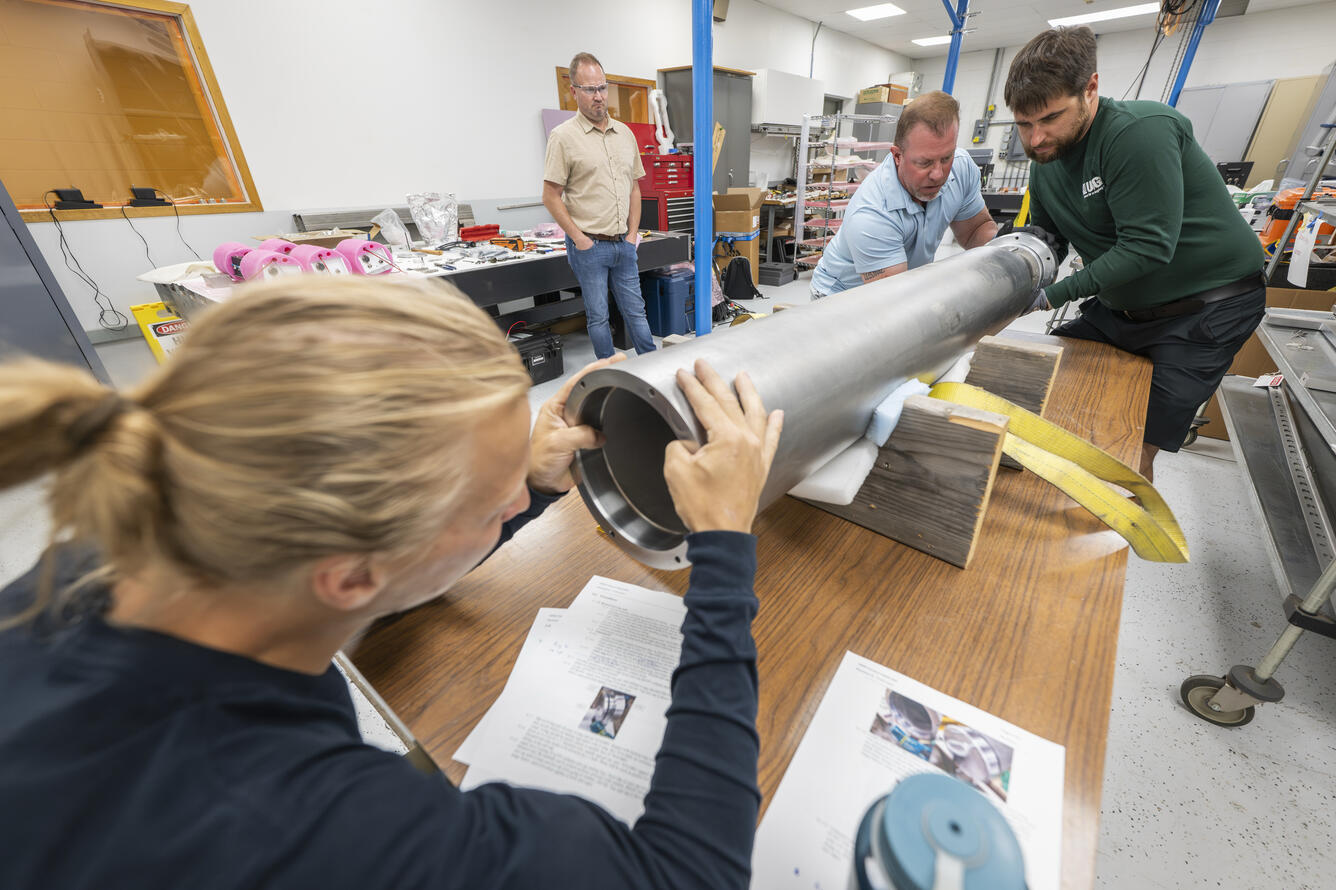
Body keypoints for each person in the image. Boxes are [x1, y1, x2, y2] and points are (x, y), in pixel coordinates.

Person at [0, 275, 782, 889]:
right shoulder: (308, 828)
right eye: (492, 498)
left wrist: (528, 489)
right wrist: (722, 546)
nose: (519, 493)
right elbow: (690, 874)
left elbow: (394, 568)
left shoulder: (117, 548)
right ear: (347, 576)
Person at [1004, 26, 1266, 480]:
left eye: (1049, 118)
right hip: (1123, 308)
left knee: (1128, 446)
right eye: (1023, 124)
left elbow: (1146, 248)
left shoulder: (1138, 134)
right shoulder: (1046, 164)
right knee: (1049, 381)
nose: (1035, 139)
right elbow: (1046, 236)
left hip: (1205, 309)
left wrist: (1051, 296)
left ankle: (1110, 526)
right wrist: (1007, 264)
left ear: (1091, 88)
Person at [810, 90, 997, 298]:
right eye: (924, 162)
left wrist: (1009, 251)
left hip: (900, 285)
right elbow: (895, 301)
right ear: (897, 156)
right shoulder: (872, 214)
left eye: (946, 158)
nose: (938, 174)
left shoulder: (961, 167)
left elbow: (975, 231)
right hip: (840, 297)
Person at [542, 51, 656, 359]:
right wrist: (580, 240)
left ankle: (655, 370)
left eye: (602, 87)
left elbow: (634, 188)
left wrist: (633, 235)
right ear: (574, 92)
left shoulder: (625, 134)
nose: (598, 96)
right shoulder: (563, 138)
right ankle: (611, 376)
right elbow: (550, 195)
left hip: (624, 244)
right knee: (598, 317)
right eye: (590, 89)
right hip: (589, 246)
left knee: (637, 313)